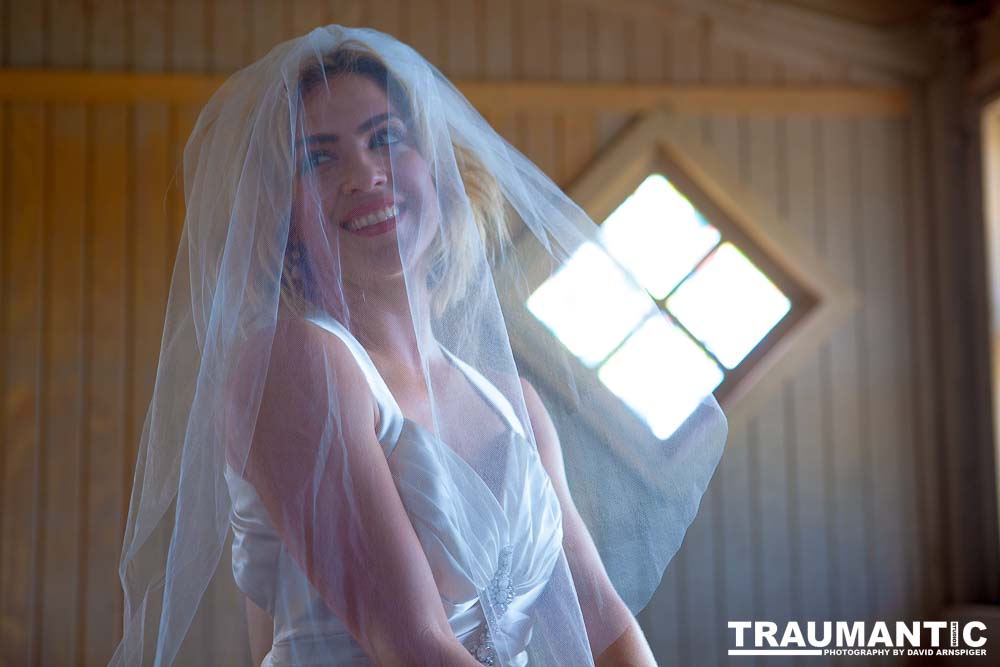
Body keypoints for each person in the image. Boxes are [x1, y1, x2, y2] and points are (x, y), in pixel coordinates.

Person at [110, 25, 727, 667]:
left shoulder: (515, 403)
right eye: (318, 158)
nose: (366, 174)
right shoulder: (294, 363)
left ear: (437, 171)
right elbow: (407, 643)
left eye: (385, 139)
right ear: (282, 214)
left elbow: (604, 622)